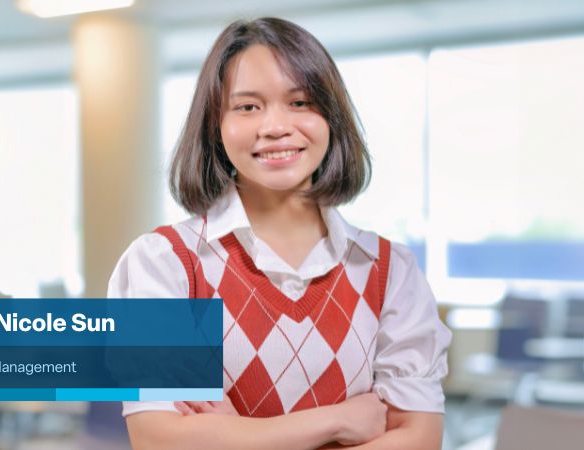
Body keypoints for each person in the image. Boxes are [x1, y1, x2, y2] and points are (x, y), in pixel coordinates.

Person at [108, 17, 451, 450]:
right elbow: (161, 442)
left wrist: (241, 436)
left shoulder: (389, 272)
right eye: (247, 107)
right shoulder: (164, 264)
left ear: (332, 117)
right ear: (216, 125)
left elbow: (420, 440)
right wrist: (336, 422)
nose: (274, 126)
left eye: (300, 102)